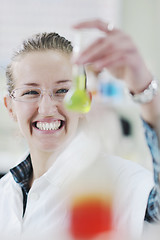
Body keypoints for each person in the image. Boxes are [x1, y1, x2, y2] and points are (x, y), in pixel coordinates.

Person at [0, 19, 159, 240]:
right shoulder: (4, 193)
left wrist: (146, 93)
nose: (47, 108)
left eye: (63, 90)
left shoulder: (125, 183)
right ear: (10, 107)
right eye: (31, 92)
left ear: (84, 99)